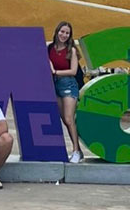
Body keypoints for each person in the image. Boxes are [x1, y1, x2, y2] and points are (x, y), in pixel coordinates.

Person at [48, 21, 83, 163]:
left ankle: (75, 150)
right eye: (62, 32)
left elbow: (73, 71)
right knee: (65, 120)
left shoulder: (72, 50)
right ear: (57, 32)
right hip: (54, 85)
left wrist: (55, 71)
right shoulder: (50, 48)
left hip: (68, 84)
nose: (64, 35)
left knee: (69, 119)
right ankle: (78, 151)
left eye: (67, 33)